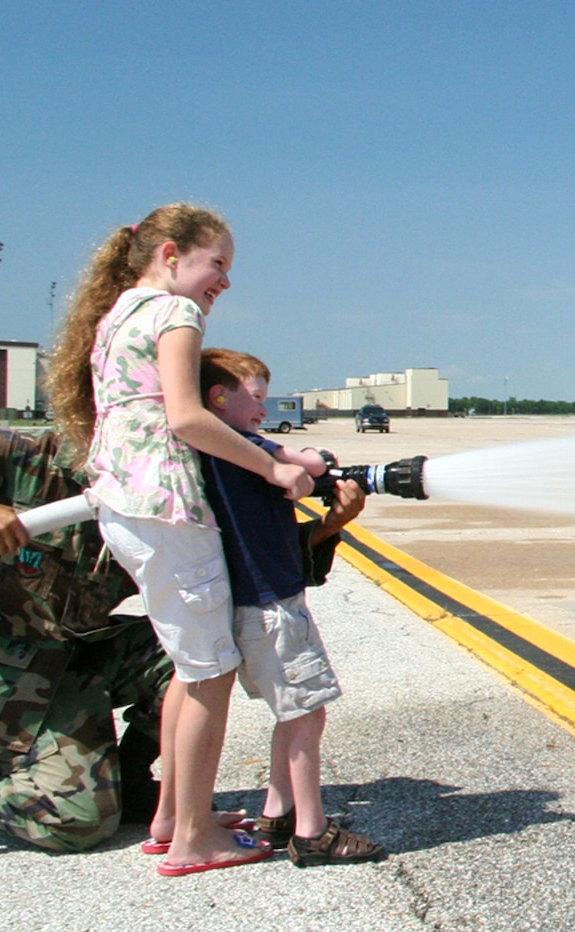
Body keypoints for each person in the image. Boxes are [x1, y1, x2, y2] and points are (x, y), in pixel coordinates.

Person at [48, 204, 314, 876]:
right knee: (209, 674)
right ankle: (196, 839)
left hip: (125, 505)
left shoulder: (116, 316)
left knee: (186, 666)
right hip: (167, 508)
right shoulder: (175, 313)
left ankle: (174, 814)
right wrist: (274, 466)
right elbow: (189, 417)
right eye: (216, 263)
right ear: (170, 254)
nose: (223, 280)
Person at [0, 426, 165, 850]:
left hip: (87, 654)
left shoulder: (165, 479)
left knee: (205, 649)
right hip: (13, 675)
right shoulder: (24, 455)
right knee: (75, 823)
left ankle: (128, 780)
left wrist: (320, 528)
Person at [197, 348, 386, 866]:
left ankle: (277, 813)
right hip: (272, 609)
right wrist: (320, 464)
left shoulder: (222, 455)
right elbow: (299, 462)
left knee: (292, 713)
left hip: (263, 604)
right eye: (255, 398)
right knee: (307, 717)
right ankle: (313, 831)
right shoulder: (239, 449)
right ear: (218, 397)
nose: (264, 408)